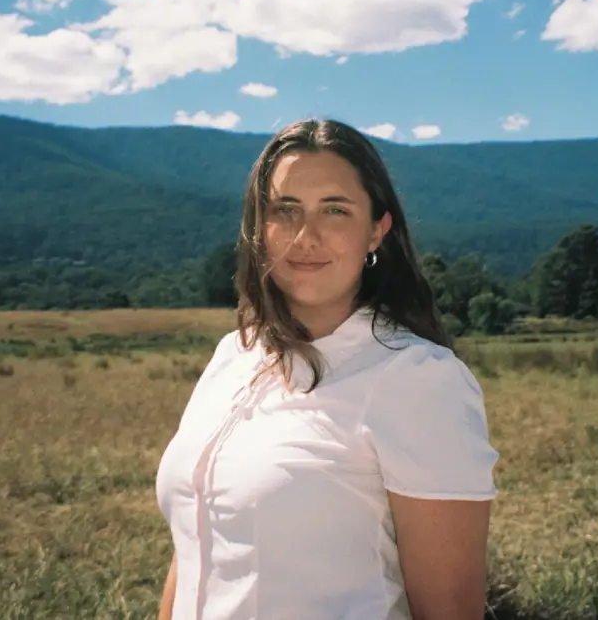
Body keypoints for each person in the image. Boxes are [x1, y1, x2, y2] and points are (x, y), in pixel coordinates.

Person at [155, 119, 500, 620]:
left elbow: (448, 610)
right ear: (259, 228)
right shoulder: (233, 356)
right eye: (284, 210)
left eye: (334, 210)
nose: (305, 236)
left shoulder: (418, 380)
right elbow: (194, 551)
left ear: (377, 230)